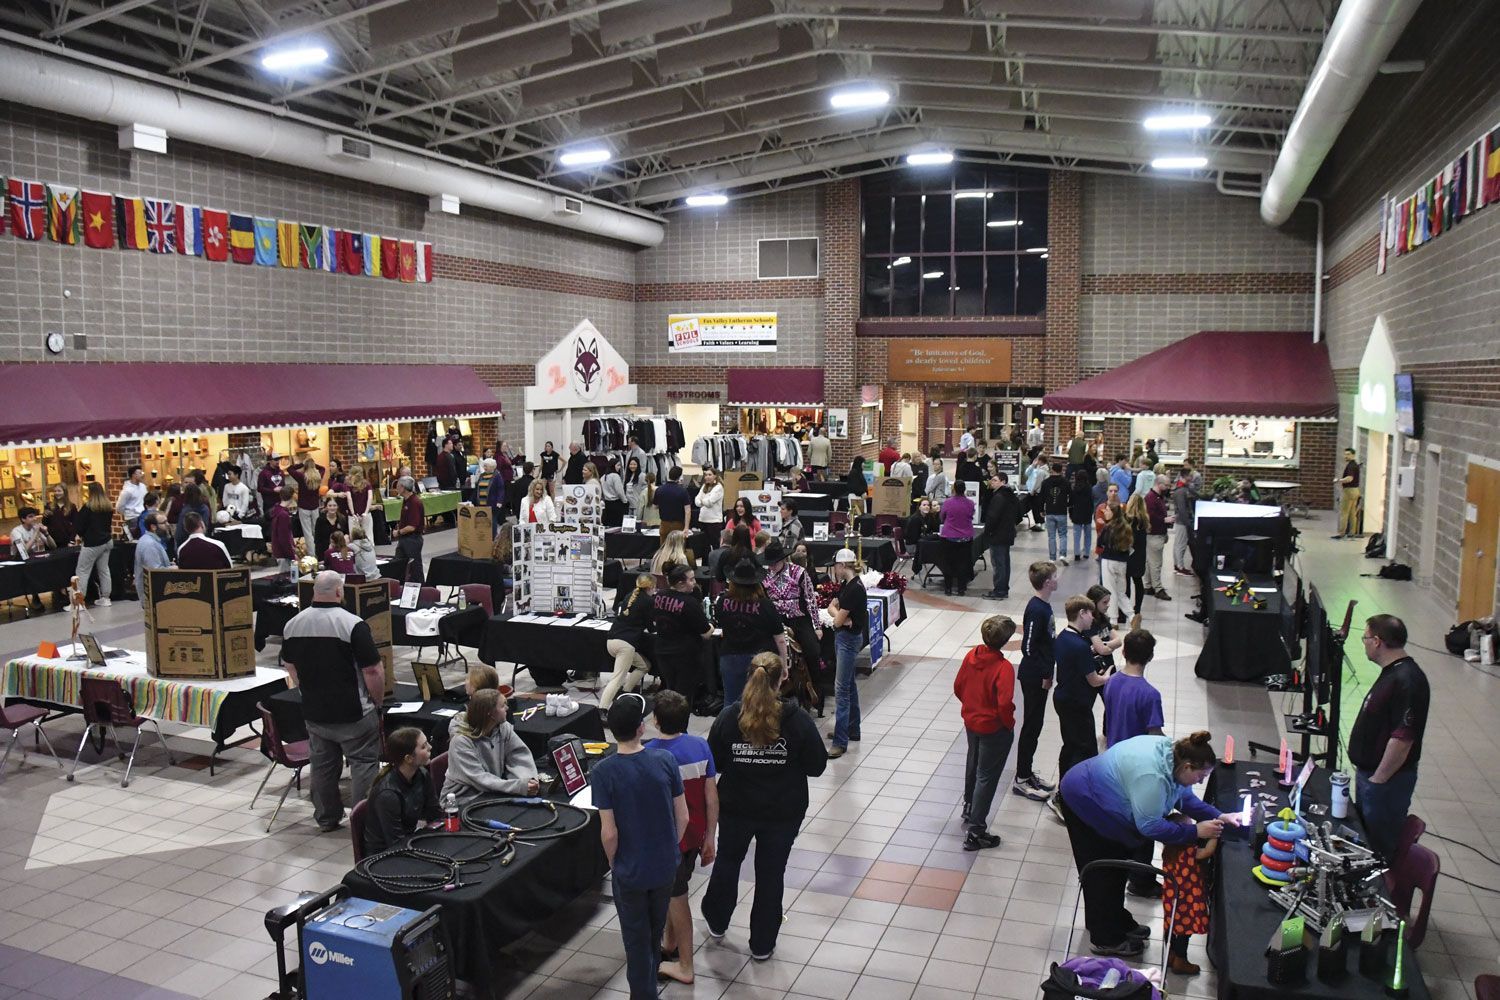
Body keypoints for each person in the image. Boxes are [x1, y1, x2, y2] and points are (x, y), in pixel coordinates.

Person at [1059, 731, 1234, 956]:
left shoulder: (1174, 756)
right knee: (1103, 873)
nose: (1201, 781)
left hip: (1099, 793)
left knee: (1117, 870)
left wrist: (1219, 815)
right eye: (1201, 776)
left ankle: (1114, 921)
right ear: (1188, 766)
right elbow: (1149, 826)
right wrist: (1194, 831)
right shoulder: (1152, 776)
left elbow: (1184, 798)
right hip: (1086, 802)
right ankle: (1105, 938)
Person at [702, 653, 827, 960]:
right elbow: (817, 766)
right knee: (771, 874)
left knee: (728, 861)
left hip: (735, 806)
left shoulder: (730, 717)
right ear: (782, 677)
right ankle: (762, 943)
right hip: (782, 811)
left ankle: (717, 920)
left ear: (749, 676)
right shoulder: (797, 721)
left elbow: (713, 762)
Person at [592, 694, 688, 1000]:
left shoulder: (603, 772)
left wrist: (614, 864)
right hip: (663, 866)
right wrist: (669, 849)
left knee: (636, 942)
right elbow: (682, 816)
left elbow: (609, 833)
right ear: (641, 728)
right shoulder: (665, 761)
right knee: (654, 932)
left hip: (630, 871)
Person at [282, 571, 386, 832]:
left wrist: (306, 691)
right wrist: (377, 701)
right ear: (339, 592)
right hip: (353, 713)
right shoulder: (352, 625)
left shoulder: (293, 624)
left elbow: (290, 665)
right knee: (363, 765)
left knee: (323, 766)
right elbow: (372, 670)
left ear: (314, 592)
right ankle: (362, 822)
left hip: (315, 713)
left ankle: (327, 818)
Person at [646, 691, 719, 987]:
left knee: (676, 899)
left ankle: (686, 966)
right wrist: (711, 836)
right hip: (694, 836)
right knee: (673, 892)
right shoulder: (701, 747)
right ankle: (669, 942)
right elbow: (711, 796)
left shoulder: (649, 753)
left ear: (655, 720)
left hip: (668, 840)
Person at [1348, 614, 1429, 860]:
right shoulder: (1392, 673)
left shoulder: (1408, 680)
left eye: (1365, 638)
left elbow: (1402, 740)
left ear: (1377, 641)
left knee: (1378, 849)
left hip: (1387, 784)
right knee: (1365, 841)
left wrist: (1378, 781)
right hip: (1373, 779)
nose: (1364, 643)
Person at [954, 615, 1018, 851]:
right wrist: (1008, 722)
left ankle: (969, 807)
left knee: (973, 763)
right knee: (986, 776)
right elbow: (1004, 703)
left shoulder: (971, 656)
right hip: (994, 728)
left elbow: (958, 686)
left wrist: (972, 707)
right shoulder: (1003, 668)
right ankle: (977, 831)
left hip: (972, 721)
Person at [440, 688, 539, 803]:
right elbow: (479, 778)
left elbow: (517, 755)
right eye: (502, 706)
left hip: (491, 790)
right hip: (463, 798)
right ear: (490, 713)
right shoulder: (461, 742)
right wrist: (518, 787)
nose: (507, 708)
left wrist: (528, 780)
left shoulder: (503, 728)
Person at [1014, 561, 1058, 801]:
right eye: (1054, 576)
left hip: (1042, 673)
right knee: (1031, 726)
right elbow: (1028, 646)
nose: (1058, 578)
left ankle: (1027, 771)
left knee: (1037, 724)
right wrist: (1044, 673)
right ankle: (1021, 778)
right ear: (1047, 582)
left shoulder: (1045, 606)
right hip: (1034, 677)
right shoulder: (1036, 609)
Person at [714, 559, 786, 705]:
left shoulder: (722, 601)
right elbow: (780, 639)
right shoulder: (765, 604)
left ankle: (731, 728)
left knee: (731, 704)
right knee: (760, 704)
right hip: (760, 659)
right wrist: (783, 664)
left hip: (730, 656)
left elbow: (721, 625)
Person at [362, 728, 443, 856]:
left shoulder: (422, 774)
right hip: (385, 856)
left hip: (408, 841)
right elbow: (395, 844)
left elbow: (435, 814)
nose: (430, 747)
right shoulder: (388, 794)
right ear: (409, 758)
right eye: (423, 746)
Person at [1161, 817, 1218, 975]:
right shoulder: (1189, 852)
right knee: (1184, 931)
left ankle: (1171, 953)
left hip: (1171, 897)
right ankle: (1181, 960)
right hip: (1187, 899)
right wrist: (1215, 835)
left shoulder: (1168, 851)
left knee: (1171, 926)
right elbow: (1208, 851)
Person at [762, 540, 823, 683]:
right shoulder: (764, 576)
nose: (771, 566)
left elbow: (810, 599)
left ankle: (816, 692)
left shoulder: (799, 572)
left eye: (774, 563)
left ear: (783, 560)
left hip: (799, 619)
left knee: (812, 652)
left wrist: (817, 626)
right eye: (769, 563)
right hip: (775, 620)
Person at [652, 564, 713, 699]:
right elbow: (706, 633)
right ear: (680, 583)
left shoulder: (659, 596)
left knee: (670, 692)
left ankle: (667, 718)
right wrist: (711, 625)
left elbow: (656, 621)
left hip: (663, 653)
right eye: (691, 580)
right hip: (685, 656)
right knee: (683, 698)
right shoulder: (690, 603)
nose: (695, 582)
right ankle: (678, 719)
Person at [826, 548, 866, 757]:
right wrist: (840, 615)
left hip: (847, 641)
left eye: (835, 566)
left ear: (842, 566)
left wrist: (836, 614)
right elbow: (839, 613)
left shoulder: (853, 589)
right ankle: (852, 729)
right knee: (849, 685)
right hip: (847, 638)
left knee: (841, 690)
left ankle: (840, 742)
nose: (834, 570)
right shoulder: (849, 585)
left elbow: (837, 618)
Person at [603, 575, 656, 711]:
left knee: (644, 666)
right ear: (650, 587)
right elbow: (651, 626)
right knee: (617, 678)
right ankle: (602, 708)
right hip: (625, 645)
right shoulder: (648, 601)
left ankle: (625, 691)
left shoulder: (630, 595)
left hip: (611, 640)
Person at [73, 482, 115, 607]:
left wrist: (81, 535)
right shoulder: (108, 506)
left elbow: (79, 526)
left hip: (92, 543)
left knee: (82, 571)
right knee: (104, 570)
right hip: (107, 541)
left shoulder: (87, 507)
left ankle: (79, 603)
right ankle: (106, 598)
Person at [980, 472, 1020, 600]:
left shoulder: (999, 497)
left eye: (995, 480)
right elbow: (1018, 513)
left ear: (1003, 482)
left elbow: (992, 517)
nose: (992, 482)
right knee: (1005, 562)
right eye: (992, 480)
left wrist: (988, 532)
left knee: (998, 563)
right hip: (1007, 533)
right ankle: (1003, 588)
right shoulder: (1010, 495)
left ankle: (999, 590)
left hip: (998, 535)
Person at [939, 480, 976, 596]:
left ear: (954, 489)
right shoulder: (970, 503)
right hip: (965, 537)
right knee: (963, 563)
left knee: (948, 563)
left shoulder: (948, 503)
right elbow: (971, 515)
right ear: (964, 489)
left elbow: (942, 516)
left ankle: (948, 588)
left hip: (949, 537)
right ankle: (961, 589)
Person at [1098, 502, 1132, 626]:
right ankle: (1132, 616)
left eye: (1107, 511)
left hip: (1109, 560)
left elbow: (1100, 542)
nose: (1105, 512)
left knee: (1109, 590)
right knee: (1121, 592)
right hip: (1122, 563)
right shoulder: (1126, 527)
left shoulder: (1109, 527)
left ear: (1113, 513)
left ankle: (1113, 620)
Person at [390, 476, 426, 584]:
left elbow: (412, 526)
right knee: (398, 564)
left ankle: (422, 590)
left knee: (415, 568)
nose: (396, 489)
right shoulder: (406, 500)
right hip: (404, 540)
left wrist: (398, 532)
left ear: (403, 487)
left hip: (412, 540)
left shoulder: (414, 502)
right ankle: (400, 587)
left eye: (398, 486)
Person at [1143, 475, 1173, 601]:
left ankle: (1148, 585)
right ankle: (1158, 588)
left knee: (1150, 562)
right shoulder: (1151, 498)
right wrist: (1164, 519)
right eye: (1166, 485)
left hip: (1157, 533)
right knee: (1156, 563)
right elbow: (1150, 516)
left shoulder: (1157, 497)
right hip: (1154, 534)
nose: (1167, 488)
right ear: (1159, 484)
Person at [1123, 494, 1150, 629]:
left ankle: (1125, 610)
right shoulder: (1144, 521)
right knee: (1138, 582)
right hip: (1140, 555)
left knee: (1125, 583)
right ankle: (1137, 608)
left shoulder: (1127, 519)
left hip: (1128, 555)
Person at [132, 512, 172, 597]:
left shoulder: (151, 541)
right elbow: (156, 573)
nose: (168, 524)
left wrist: (169, 565)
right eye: (164, 523)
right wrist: (173, 569)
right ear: (153, 527)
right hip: (154, 597)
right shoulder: (149, 545)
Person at [288, 459, 325, 548]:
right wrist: (313, 463)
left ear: (305, 467)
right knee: (316, 530)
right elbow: (323, 468)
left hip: (304, 507)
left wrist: (302, 463)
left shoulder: (302, 476)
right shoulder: (318, 476)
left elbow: (290, 469)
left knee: (307, 533)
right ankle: (318, 551)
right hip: (315, 507)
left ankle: (312, 553)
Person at [1040, 462, 1071, 561]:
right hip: (1061, 511)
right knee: (1063, 535)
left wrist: (1041, 509)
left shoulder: (1045, 482)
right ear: (1061, 470)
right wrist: (1068, 505)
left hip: (1049, 511)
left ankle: (1052, 558)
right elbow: (1072, 496)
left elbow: (1042, 498)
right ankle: (1062, 555)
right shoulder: (1066, 482)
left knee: (1051, 536)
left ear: (1052, 470)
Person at [1171, 468, 1198, 575]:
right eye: (1190, 476)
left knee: (1178, 543)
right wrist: (1188, 523)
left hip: (1182, 520)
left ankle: (1178, 564)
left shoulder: (1182, 489)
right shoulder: (1181, 491)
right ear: (1184, 476)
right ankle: (1180, 566)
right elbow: (1182, 509)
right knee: (1180, 544)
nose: (1191, 478)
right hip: (1182, 521)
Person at [654, 467, 692, 542]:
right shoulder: (683, 491)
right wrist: (686, 527)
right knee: (677, 549)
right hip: (678, 524)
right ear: (679, 477)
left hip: (664, 524)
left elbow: (655, 506)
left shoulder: (659, 489)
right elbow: (688, 511)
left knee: (663, 548)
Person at [172, 484, 212, 550]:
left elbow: (180, 532)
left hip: (186, 542)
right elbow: (207, 523)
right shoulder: (205, 507)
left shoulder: (186, 510)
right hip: (203, 540)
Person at [1333, 447, 1362, 538]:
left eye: (1348, 454)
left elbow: (1349, 478)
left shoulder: (1351, 466)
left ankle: (1341, 533)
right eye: (1345, 454)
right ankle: (1352, 532)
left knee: (1344, 512)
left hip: (1349, 491)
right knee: (1352, 513)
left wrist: (1339, 480)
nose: (1346, 456)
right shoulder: (1355, 465)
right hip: (1356, 490)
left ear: (1353, 455)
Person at [1069, 469, 1095, 563]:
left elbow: (1071, 502)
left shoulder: (1074, 488)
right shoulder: (1089, 488)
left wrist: (1071, 513)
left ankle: (1076, 554)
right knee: (1088, 534)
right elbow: (1092, 501)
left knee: (1077, 535)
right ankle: (1086, 553)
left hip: (1077, 513)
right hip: (1087, 513)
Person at [270, 485, 298, 574]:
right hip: (283, 552)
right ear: (292, 496)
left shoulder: (277, 509)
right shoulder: (283, 515)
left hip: (279, 549)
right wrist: (291, 554)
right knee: (285, 578)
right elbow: (284, 537)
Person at [312, 496, 348, 561]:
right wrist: (320, 557)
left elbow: (347, 534)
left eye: (334, 505)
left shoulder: (342, 519)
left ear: (337, 506)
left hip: (340, 553)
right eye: (330, 505)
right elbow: (317, 540)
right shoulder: (320, 520)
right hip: (324, 553)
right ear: (326, 507)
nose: (332, 508)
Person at [693, 468, 724, 541]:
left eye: (710, 475)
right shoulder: (704, 486)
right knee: (704, 544)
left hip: (714, 521)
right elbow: (696, 501)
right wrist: (703, 501)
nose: (707, 477)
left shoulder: (718, 487)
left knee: (715, 543)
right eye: (706, 475)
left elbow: (709, 503)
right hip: (703, 520)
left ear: (715, 476)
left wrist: (701, 500)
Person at [624, 457, 649, 524]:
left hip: (637, 505)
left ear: (638, 465)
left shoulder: (642, 476)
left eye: (634, 464)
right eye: (631, 464)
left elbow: (646, 489)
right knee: (628, 525)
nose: (632, 466)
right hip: (628, 505)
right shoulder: (627, 476)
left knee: (637, 524)